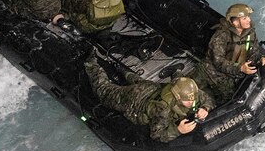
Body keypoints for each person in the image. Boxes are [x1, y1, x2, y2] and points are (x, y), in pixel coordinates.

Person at [84, 57, 214, 143]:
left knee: (136, 80)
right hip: (135, 100)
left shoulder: (190, 91)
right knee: (104, 91)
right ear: (177, 97)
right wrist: (178, 130)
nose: (192, 102)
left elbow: (206, 98)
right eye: (187, 101)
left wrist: (205, 108)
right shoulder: (163, 110)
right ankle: (91, 64)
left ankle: (122, 70)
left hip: (151, 88)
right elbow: (156, 134)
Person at [199, 3, 265, 104]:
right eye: (245, 18)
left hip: (235, 71)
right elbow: (218, 62)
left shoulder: (249, 33)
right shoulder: (221, 35)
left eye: (248, 17)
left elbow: (253, 51)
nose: (249, 20)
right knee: (228, 100)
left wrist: (261, 58)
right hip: (215, 73)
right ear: (235, 21)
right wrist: (240, 68)